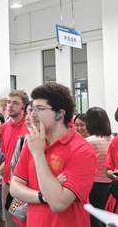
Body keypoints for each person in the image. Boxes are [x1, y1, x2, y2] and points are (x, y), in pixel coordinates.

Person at [10, 83, 98, 226]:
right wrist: (42, 196)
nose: (32, 115)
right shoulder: (33, 141)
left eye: (40, 109)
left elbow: (58, 203)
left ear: (60, 114)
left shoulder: (82, 150)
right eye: (32, 109)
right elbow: (15, 187)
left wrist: (38, 153)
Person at [0, 90, 29, 227]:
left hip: (24, 185)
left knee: (21, 219)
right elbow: (7, 156)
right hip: (7, 184)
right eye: (9, 102)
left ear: (24, 107)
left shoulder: (29, 128)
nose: (10, 106)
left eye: (15, 103)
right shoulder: (4, 127)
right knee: (10, 219)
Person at [84, 107, 113, 227]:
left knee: (94, 218)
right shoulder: (113, 139)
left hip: (94, 185)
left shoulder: (88, 141)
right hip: (112, 185)